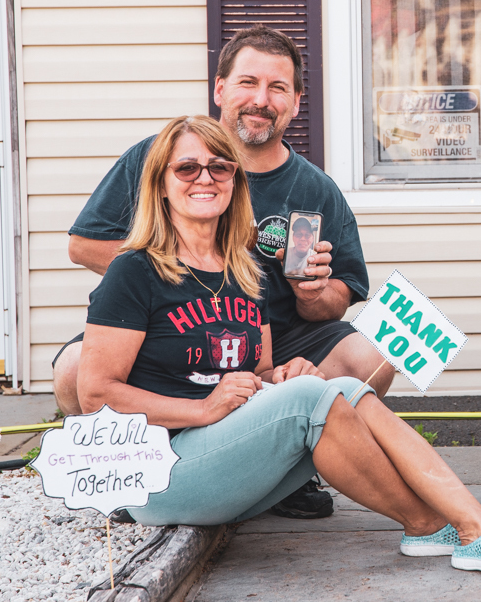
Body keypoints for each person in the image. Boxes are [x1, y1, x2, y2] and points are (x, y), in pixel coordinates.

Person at [79, 115, 481, 577]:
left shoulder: (246, 271)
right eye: (187, 168)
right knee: (310, 398)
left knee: (342, 387)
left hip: (226, 458)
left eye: (220, 167)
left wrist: (282, 376)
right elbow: (96, 395)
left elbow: (259, 374)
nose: (205, 178)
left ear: (235, 181)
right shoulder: (134, 270)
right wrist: (202, 410)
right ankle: (448, 526)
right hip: (158, 475)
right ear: (160, 185)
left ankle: (456, 521)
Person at [54, 27, 385, 518]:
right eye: (248, 82)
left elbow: (341, 297)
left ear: (296, 102)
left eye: (277, 88)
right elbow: (83, 245)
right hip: (171, 331)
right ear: (220, 89)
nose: (261, 99)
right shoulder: (161, 155)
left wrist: (311, 291)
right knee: (74, 371)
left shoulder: (316, 189)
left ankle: (288, 468)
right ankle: (124, 468)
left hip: (272, 340)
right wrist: (182, 268)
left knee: (372, 358)